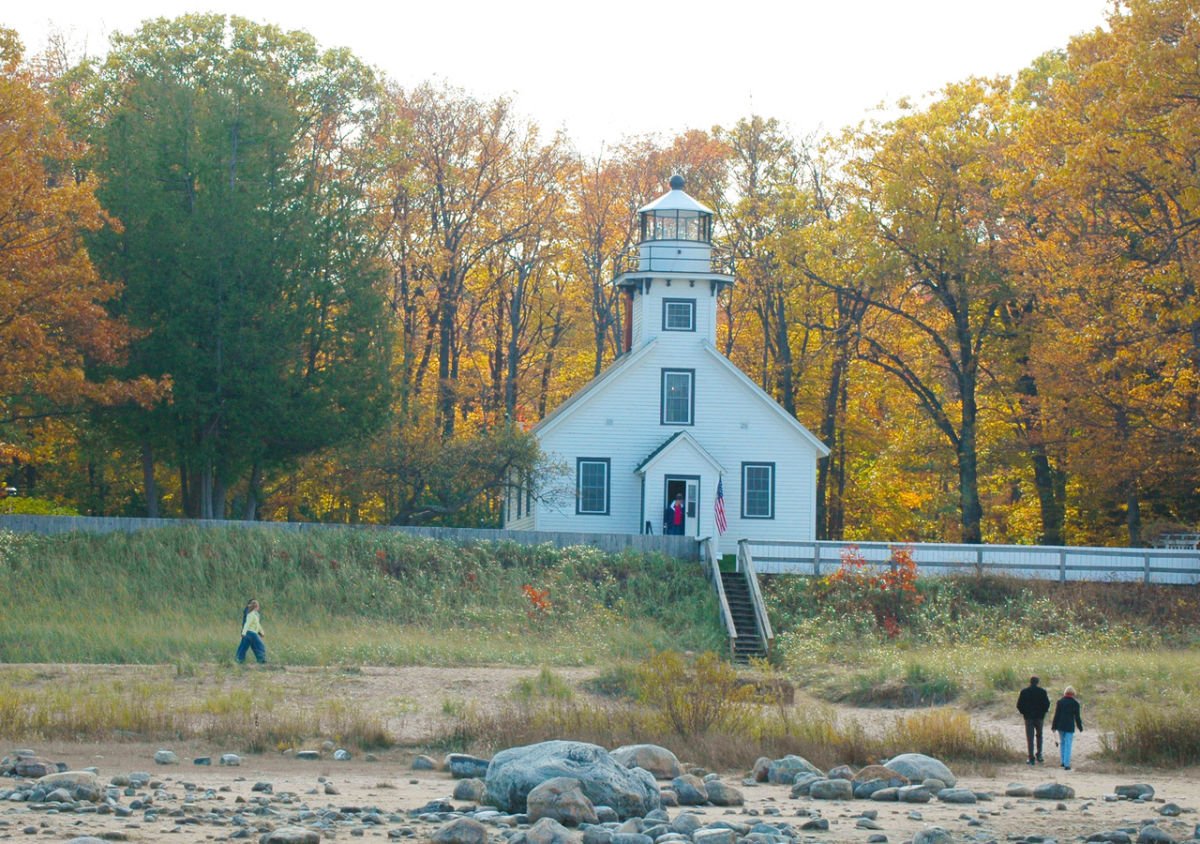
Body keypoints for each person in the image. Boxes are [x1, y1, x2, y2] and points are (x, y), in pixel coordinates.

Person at [1016, 675, 1051, 765]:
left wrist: (1024, 713)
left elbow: (1019, 705)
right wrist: (1043, 712)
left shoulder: (1024, 692)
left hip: (1028, 717)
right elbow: (1047, 704)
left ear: (1030, 682)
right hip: (1039, 717)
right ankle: (1039, 754)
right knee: (1039, 736)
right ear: (1037, 682)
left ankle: (1031, 757)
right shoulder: (1042, 692)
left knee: (1030, 738)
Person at [1051, 685, 1084, 769]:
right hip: (1069, 726)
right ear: (1073, 693)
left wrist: (1054, 726)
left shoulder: (1060, 702)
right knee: (1068, 744)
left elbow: (1056, 715)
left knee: (1062, 743)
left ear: (1065, 693)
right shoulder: (1075, 703)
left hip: (1060, 725)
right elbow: (1077, 717)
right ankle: (1067, 764)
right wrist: (1080, 727)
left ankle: (1063, 762)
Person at [236, 599, 266, 664]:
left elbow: (258, 625)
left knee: (243, 646)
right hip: (251, 633)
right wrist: (243, 633)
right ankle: (261, 659)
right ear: (256, 607)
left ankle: (239, 659)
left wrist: (262, 632)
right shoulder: (251, 614)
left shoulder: (255, 614)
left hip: (249, 633)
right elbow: (247, 624)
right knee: (259, 646)